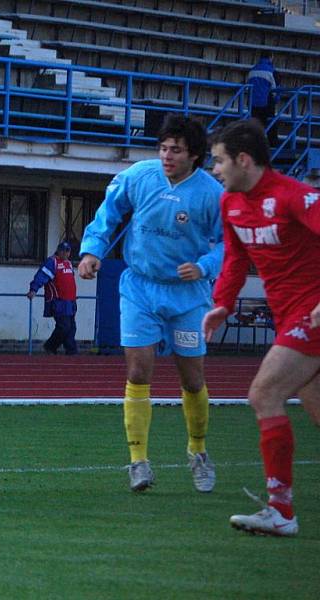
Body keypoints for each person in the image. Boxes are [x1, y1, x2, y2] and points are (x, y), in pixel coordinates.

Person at [78, 114, 224, 493]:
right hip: (139, 287)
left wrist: (206, 265)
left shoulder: (212, 193)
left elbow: (230, 243)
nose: (166, 156)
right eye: (162, 148)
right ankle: (138, 462)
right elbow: (107, 214)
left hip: (188, 296)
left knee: (192, 378)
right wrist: (92, 251)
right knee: (138, 371)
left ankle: (198, 451)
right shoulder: (139, 176)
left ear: (194, 155)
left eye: (175, 150)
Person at [203, 119, 320, 537]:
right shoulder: (230, 204)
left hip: (312, 314)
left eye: (218, 161)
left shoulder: (294, 196)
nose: (214, 169)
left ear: (244, 159)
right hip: (290, 316)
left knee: (264, 393)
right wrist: (222, 304)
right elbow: (235, 259)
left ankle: (281, 511)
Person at [26, 240, 78, 355]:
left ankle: (71, 351)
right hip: (58, 301)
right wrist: (33, 289)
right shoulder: (52, 262)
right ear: (59, 251)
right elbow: (41, 276)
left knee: (71, 327)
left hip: (70, 301)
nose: (66, 254)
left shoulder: (68, 263)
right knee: (64, 326)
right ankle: (50, 346)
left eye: (68, 251)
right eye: (64, 251)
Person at [247, 54, 279, 147]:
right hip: (266, 104)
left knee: (254, 127)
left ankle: (253, 146)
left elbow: (248, 87)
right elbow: (275, 90)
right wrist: (276, 100)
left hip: (253, 105)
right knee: (271, 125)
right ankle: (272, 146)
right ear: (271, 57)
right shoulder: (272, 71)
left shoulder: (252, 70)